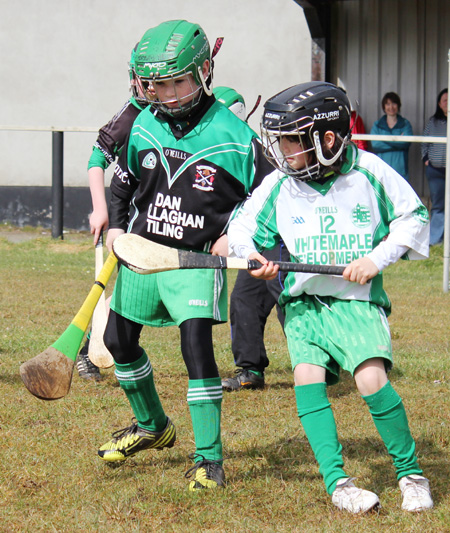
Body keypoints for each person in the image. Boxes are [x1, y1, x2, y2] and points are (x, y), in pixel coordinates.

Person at [228, 81, 433, 513]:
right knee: (307, 377)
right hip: (303, 303)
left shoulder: (370, 172)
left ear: (327, 139)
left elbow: (413, 215)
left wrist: (376, 259)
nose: (284, 154)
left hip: (355, 299)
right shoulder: (282, 185)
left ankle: (411, 474)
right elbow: (243, 230)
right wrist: (252, 257)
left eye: (291, 143)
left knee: (370, 380)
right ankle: (338, 482)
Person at [97, 20, 273, 491]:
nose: (168, 95)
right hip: (141, 251)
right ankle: (153, 426)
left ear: (204, 72)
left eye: (178, 82)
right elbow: (122, 183)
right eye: (157, 85)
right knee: (118, 342)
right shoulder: (143, 123)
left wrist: (235, 234)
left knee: (196, 349)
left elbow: (270, 197)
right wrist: (116, 229)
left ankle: (209, 458)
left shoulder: (234, 135)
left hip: (195, 259)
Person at [76, 45, 150, 381]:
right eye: (146, 81)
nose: (153, 89)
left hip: (159, 215)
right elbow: (96, 161)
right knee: (118, 286)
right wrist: (100, 209)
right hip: (126, 216)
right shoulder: (131, 115)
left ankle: (112, 347)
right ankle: (90, 351)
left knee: (137, 289)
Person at [213, 86, 290, 392]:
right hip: (254, 241)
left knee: (290, 299)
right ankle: (250, 370)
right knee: (244, 299)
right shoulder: (217, 150)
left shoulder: (250, 149)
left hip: (282, 239)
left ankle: (317, 365)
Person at [421, 88, 448, 246]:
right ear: (439, 103)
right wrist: (426, 159)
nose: (447, 103)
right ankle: (435, 239)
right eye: (445, 100)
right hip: (435, 170)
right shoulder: (433, 122)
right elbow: (424, 142)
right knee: (438, 205)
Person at [370, 92, 413, 180]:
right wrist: (397, 140)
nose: (391, 107)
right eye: (388, 104)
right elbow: (375, 145)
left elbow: (405, 143)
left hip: (401, 171)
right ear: (384, 107)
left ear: (398, 105)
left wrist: (384, 139)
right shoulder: (377, 125)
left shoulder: (405, 124)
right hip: (381, 170)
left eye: (394, 103)